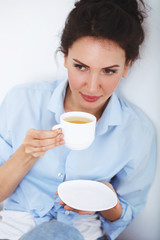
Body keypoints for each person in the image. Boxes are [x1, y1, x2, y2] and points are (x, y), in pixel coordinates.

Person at [0, 0, 156, 240]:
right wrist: (26, 154)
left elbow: (125, 213)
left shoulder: (136, 132)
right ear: (65, 58)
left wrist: (107, 200)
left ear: (127, 67)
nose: (92, 87)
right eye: (81, 66)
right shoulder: (22, 102)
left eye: (109, 70)